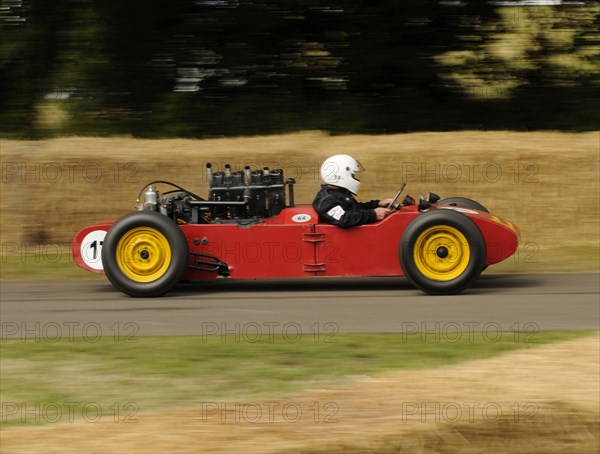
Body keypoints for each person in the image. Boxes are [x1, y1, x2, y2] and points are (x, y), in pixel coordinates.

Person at [313, 154, 393, 228]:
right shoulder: (326, 200)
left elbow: (355, 209)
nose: (355, 178)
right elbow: (344, 218)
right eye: (353, 175)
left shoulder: (338, 193)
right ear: (341, 175)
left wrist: (378, 203)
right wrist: (374, 214)